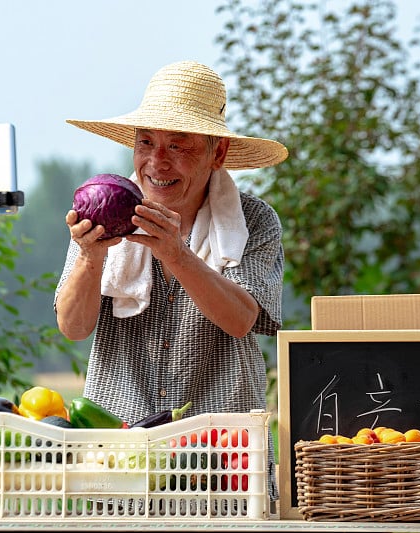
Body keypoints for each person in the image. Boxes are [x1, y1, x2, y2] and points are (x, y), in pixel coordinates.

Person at [55, 60, 288, 500]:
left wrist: (176, 255)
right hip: (115, 447)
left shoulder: (255, 220)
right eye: (146, 143)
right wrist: (90, 256)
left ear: (217, 153)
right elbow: (73, 327)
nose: (156, 163)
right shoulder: (105, 211)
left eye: (178, 146)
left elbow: (242, 320)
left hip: (223, 453)